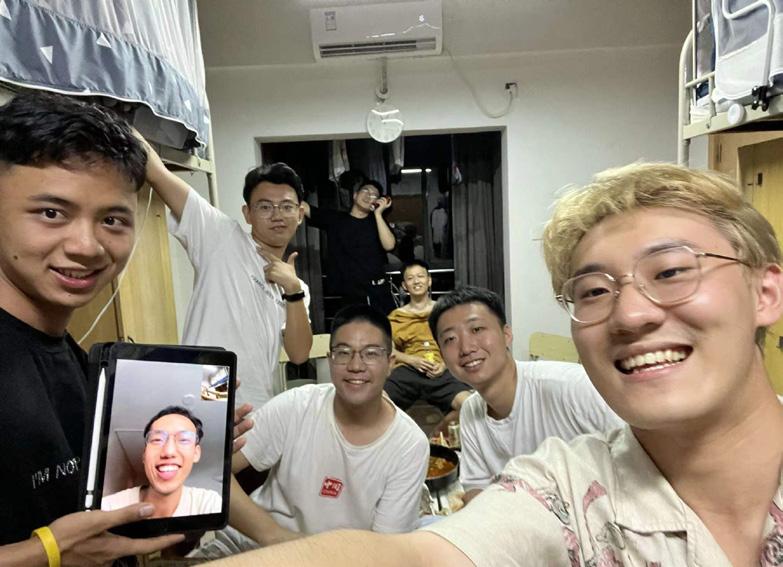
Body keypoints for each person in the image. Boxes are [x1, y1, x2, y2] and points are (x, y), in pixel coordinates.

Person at [200, 162, 783, 567]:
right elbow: (413, 555)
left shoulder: (567, 392)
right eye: (593, 291)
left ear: (765, 292)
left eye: (672, 272)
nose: (630, 313)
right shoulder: (563, 484)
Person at [0, 91, 184, 566]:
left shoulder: (80, 362)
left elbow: (95, 527)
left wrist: (163, 514)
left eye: (112, 220)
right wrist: (47, 553)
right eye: (51, 213)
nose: (87, 246)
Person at [193, 304, 429, 558]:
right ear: (330, 359)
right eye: (343, 352)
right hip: (249, 546)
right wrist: (275, 536)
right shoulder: (296, 406)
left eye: (370, 354)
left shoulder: (409, 446)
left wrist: (305, 554)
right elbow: (209, 471)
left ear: (390, 363)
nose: (355, 365)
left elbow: (382, 553)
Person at [143, 147, 313, 409]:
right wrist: (113, 124)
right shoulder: (221, 236)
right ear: (247, 213)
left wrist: (292, 289)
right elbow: (157, 173)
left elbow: (299, 354)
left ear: (300, 214)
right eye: (265, 206)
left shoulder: (297, 289)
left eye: (286, 206)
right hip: (210, 382)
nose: (277, 215)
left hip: (257, 402)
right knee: (207, 430)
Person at [428, 285, 622, 496]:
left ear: (506, 334)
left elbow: (638, 454)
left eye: (477, 330)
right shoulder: (470, 412)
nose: (466, 348)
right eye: (450, 339)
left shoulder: (573, 387)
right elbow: (476, 487)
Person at [383, 260, 472, 430]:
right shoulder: (396, 316)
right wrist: (412, 360)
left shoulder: (444, 311)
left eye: (420, 276)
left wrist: (444, 364)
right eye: (410, 278)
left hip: (440, 369)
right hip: (407, 371)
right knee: (379, 402)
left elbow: (459, 343)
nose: (416, 281)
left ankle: (440, 438)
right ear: (404, 285)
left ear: (429, 280)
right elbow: (388, 350)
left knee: (468, 404)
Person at [102, 406, 222, 517]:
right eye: (157, 440)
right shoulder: (109, 507)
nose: (169, 452)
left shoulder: (209, 503)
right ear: (144, 454)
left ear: (196, 454)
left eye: (184, 440)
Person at [303, 178, 397, 313]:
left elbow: (389, 245)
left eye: (374, 195)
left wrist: (378, 214)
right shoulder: (336, 219)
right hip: (349, 294)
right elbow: (305, 208)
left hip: (378, 291)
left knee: (385, 326)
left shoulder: (377, 222)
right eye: (365, 191)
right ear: (355, 195)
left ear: (376, 202)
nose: (368, 195)